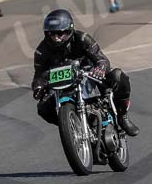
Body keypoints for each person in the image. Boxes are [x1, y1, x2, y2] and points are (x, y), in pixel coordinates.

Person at [32, 9, 139, 137]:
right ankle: (72, 127)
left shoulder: (82, 38)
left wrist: (99, 68)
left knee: (118, 76)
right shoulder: (41, 51)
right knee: (43, 108)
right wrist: (38, 86)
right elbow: (39, 75)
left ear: (69, 30)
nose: (56, 38)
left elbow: (101, 58)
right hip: (63, 87)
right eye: (52, 34)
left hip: (89, 76)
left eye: (60, 33)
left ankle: (122, 117)